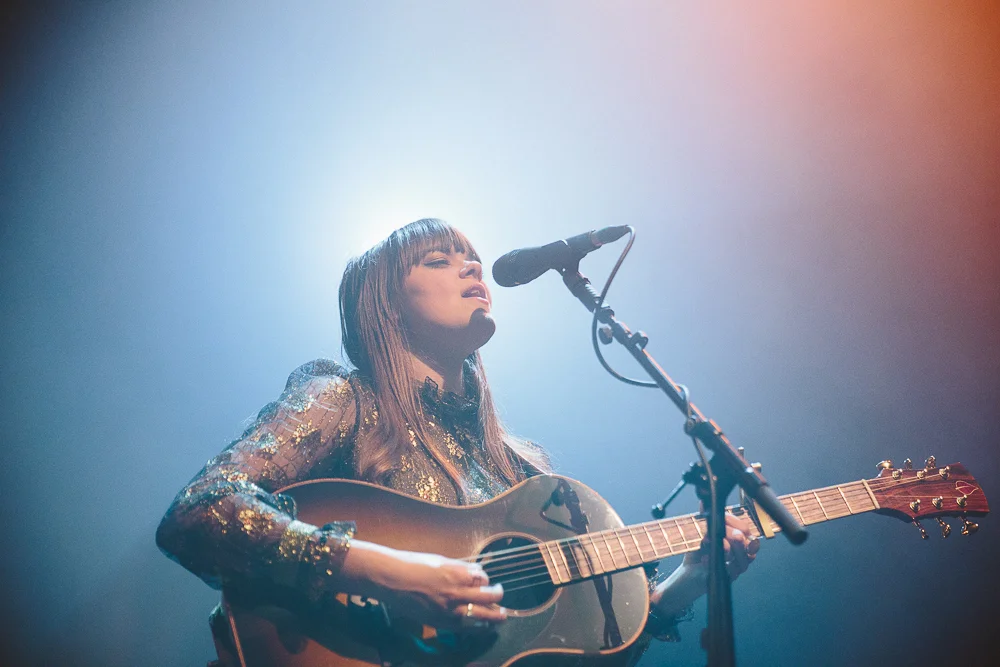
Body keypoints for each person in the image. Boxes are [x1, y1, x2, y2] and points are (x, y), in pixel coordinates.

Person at [156, 218, 760, 666]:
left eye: (470, 257)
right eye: (440, 261)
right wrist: (389, 573)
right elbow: (199, 511)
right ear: (387, 303)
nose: (473, 268)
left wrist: (690, 580)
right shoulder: (345, 400)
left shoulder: (525, 471)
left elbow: (582, 647)